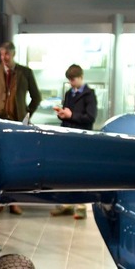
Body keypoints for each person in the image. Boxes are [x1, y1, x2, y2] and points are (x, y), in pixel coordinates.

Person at [0, 41, 40, 213]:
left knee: (17, 163)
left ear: (13, 54)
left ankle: (14, 201)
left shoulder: (25, 72)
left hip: (18, 124)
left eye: (7, 55)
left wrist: (27, 113)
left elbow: (36, 97)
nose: (4, 58)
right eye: (1, 55)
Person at [51, 65, 97, 219]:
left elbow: (90, 117)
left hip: (81, 138)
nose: (71, 83)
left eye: (73, 79)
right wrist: (62, 114)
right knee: (65, 171)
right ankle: (67, 203)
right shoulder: (69, 93)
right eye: (69, 80)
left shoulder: (89, 95)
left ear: (81, 77)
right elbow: (67, 112)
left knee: (80, 173)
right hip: (67, 135)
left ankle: (81, 206)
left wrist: (71, 115)